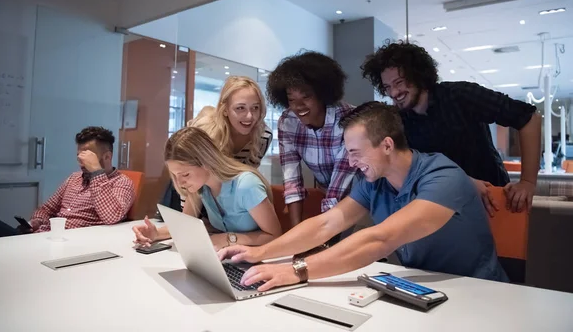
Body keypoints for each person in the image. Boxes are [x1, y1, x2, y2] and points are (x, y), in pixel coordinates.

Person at [218, 102, 508, 292]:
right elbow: (326, 224)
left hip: (477, 291)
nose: (351, 161)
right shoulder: (374, 181)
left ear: (387, 145)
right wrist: (261, 253)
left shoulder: (443, 176)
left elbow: (380, 239)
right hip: (421, 289)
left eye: (355, 152)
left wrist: (296, 270)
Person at [361, 41, 541, 216]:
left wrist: (527, 182)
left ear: (418, 76)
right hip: (439, 209)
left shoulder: (460, 95)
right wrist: (465, 182)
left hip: (491, 203)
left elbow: (528, 118)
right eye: (387, 87)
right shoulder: (400, 121)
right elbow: (414, 168)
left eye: (399, 82)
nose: (393, 93)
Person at [134, 127, 281, 250]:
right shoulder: (200, 188)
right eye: (174, 175)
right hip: (230, 258)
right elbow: (184, 225)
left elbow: (275, 236)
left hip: (259, 261)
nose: (179, 182)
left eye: (185, 174)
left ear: (206, 162)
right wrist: (156, 233)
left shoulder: (246, 185)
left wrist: (228, 238)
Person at [0, 127, 134, 239]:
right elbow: (46, 209)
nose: (81, 162)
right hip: (42, 236)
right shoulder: (74, 178)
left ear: (107, 157)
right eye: (79, 156)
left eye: (87, 157)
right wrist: (36, 222)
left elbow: (112, 217)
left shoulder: (121, 183)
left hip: (69, 244)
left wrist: (97, 172)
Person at [266, 51, 356, 228]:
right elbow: (292, 179)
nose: (298, 106)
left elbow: (338, 187)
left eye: (306, 97)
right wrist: (295, 231)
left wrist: (321, 238)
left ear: (322, 93)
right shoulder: (288, 121)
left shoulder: (349, 119)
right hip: (327, 195)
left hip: (361, 193)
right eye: (292, 99)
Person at [161, 76, 272, 211]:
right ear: (225, 109)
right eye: (240, 108)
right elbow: (189, 180)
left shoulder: (263, 136)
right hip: (195, 192)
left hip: (225, 202)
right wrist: (187, 218)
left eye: (255, 108)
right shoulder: (207, 131)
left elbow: (247, 177)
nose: (249, 116)